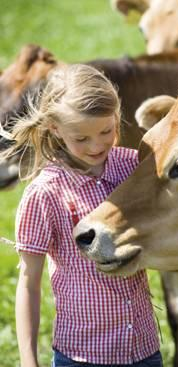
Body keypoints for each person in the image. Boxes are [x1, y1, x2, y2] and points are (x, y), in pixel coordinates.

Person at [3, 64, 162, 367]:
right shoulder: (45, 193)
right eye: (81, 138)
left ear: (116, 116)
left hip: (143, 349)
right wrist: (28, 360)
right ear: (55, 128)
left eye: (106, 131)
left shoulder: (133, 167)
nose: (97, 145)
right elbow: (28, 282)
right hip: (82, 354)